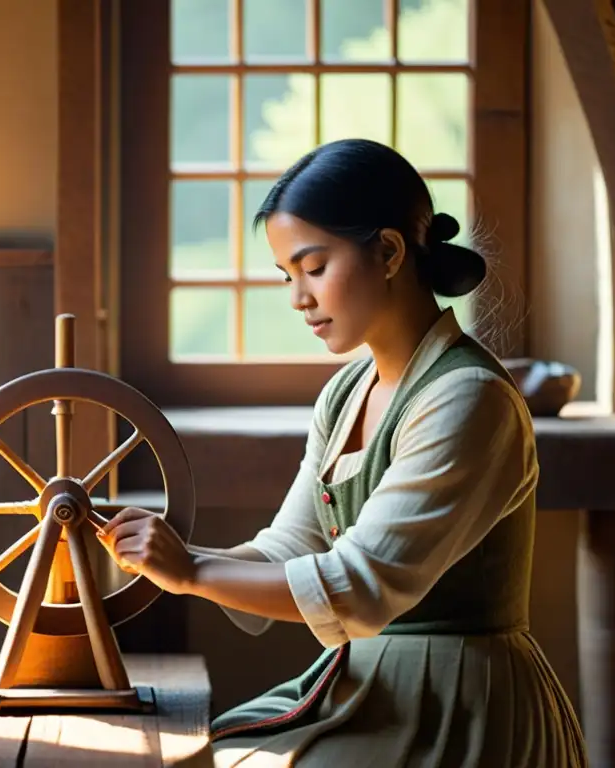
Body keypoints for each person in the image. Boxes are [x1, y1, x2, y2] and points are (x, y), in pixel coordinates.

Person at [97, 138, 588, 766]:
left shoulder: (468, 399)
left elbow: (356, 587)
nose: (299, 297)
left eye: (314, 267)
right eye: (287, 276)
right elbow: (286, 550)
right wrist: (164, 557)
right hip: (364, 687)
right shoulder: (346, 392)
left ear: (387, 251)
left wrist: (190, 572)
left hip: (461, 706)